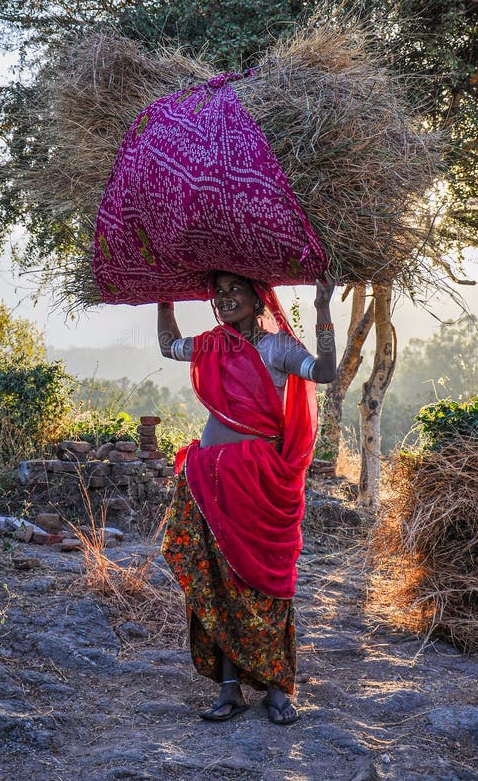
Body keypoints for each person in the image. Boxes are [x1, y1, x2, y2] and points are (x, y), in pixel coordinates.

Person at [158, 271, 336, 725]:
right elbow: (167, 346)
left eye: (235, 289)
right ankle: (229, 687)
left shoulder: (277, 348)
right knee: (218, 578)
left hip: (259, 483)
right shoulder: (212, 344)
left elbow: (326, 373)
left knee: (265, 582)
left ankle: (277, 688)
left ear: (259, 298)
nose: (225, 298)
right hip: (208, 480)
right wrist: (163, 296)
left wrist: (321, 310)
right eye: (219, 292)